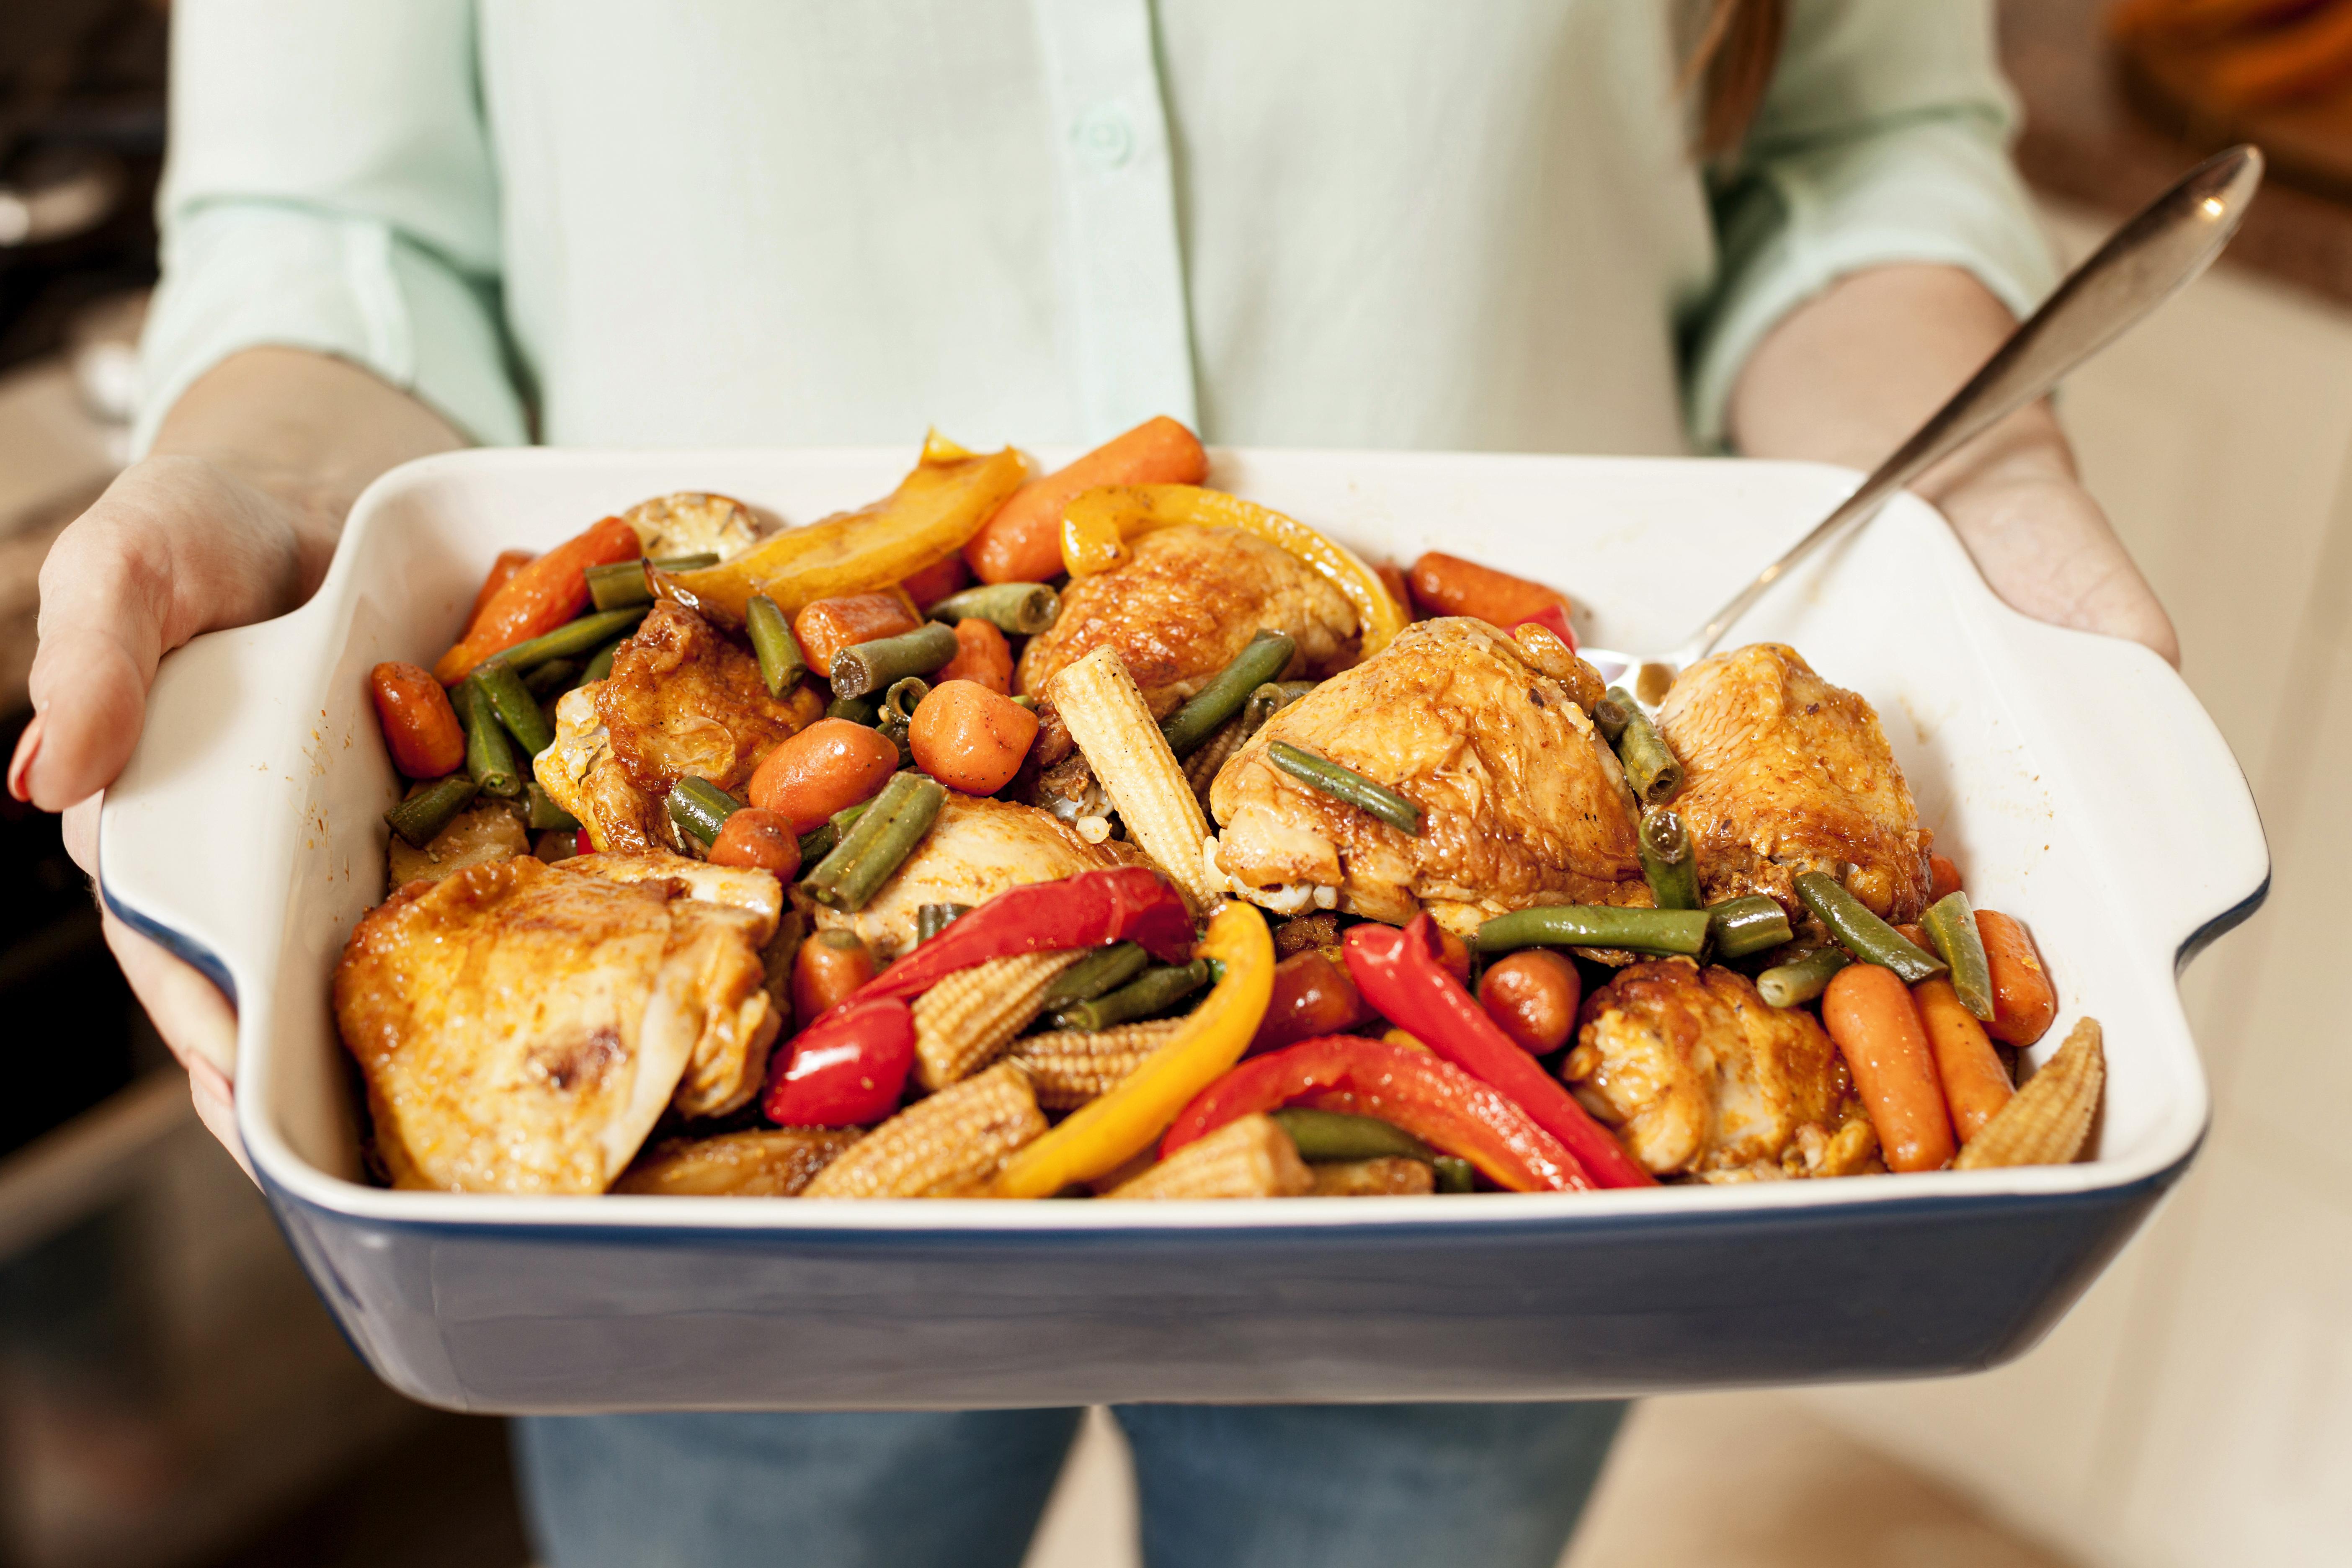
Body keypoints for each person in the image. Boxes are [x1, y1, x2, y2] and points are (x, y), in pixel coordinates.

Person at [14, 3, 2177, 1565]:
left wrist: (1981, 474)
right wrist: (251, 507)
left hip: (1517, 1017)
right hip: (708, 1200)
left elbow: (1850, 167)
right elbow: (341, 241)